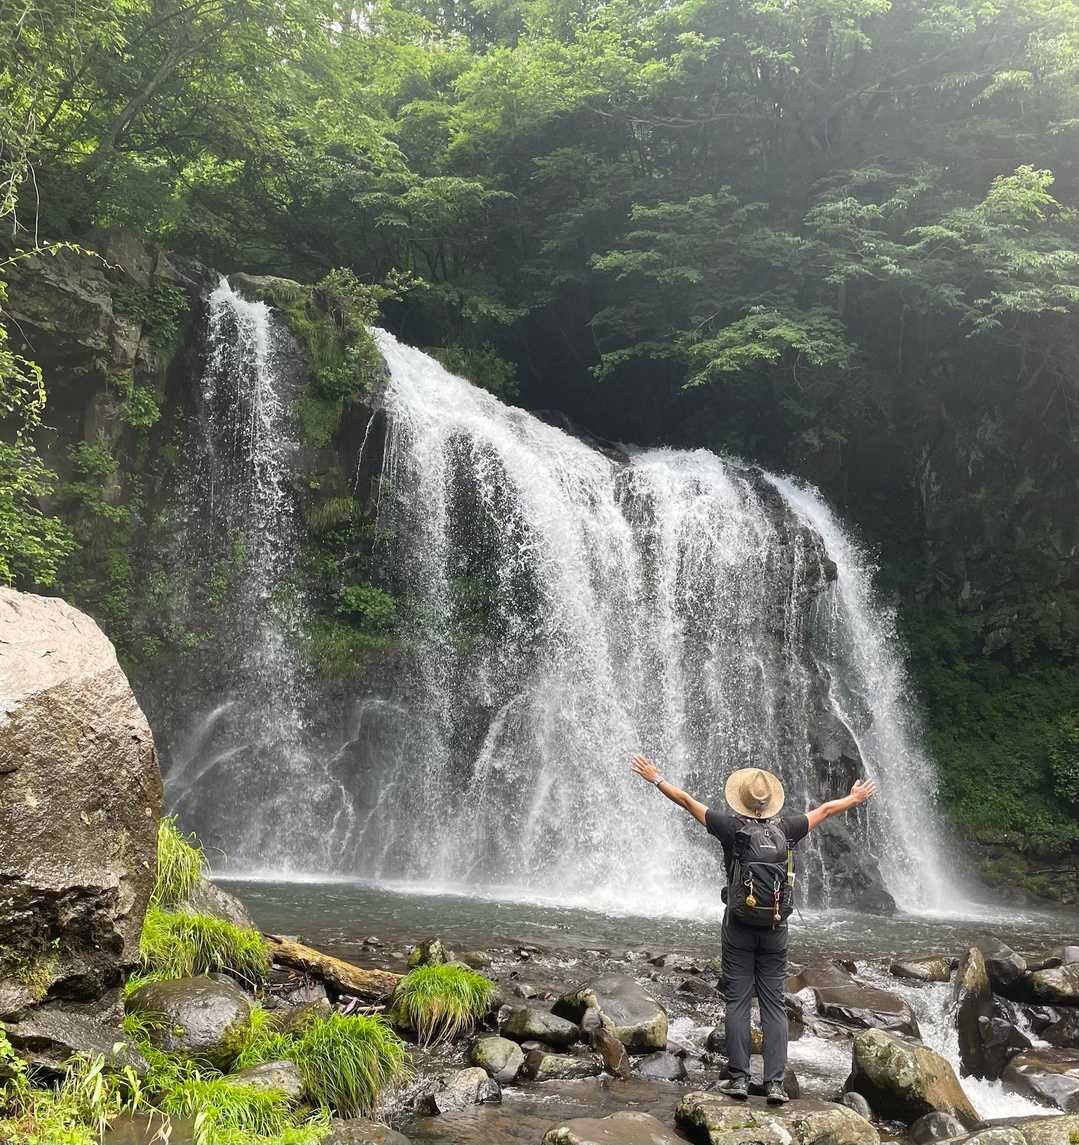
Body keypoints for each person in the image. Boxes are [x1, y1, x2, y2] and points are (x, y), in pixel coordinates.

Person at [630, 755, 877, 1104]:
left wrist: (656, 778)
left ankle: (740, 1080)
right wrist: (854, 798)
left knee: (738, 1002)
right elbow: (824, 811)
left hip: (738, 926)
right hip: (775, 926)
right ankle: (775, 1084)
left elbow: (685, 801)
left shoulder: (729, 828)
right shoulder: (787, 829)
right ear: (770, 802)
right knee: (774, 1004)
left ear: (741, 801)